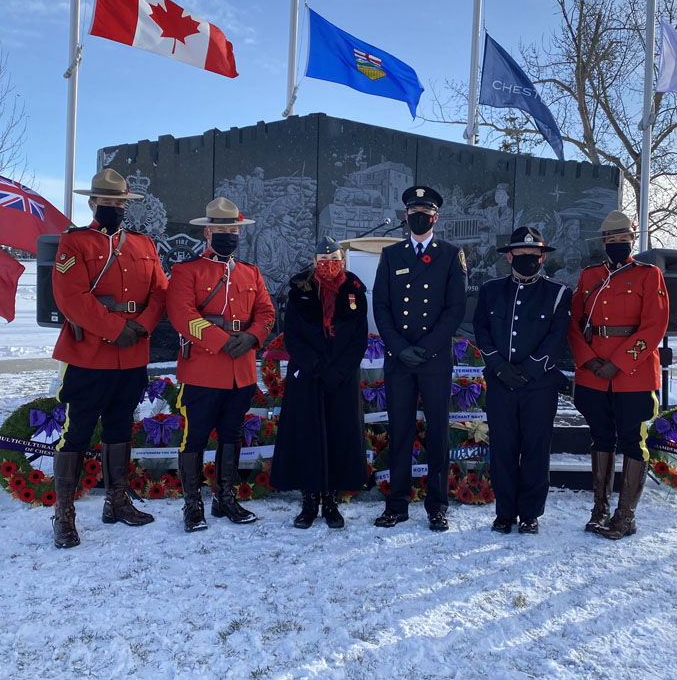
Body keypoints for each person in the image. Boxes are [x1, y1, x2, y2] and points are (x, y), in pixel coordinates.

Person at [50, 169, 169, 549]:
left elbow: (160, 294)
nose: (115, 208)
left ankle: (117, 501)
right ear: (93, 203)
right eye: (108, 202)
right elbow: (71, 298)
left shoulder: (143, 245)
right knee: (78, 432)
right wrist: (117, 330)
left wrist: (143, 327)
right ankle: (64, 515)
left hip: (132, 353)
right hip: (90, 353)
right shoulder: (75, 243)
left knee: (120, 427)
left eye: (120, 203)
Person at [166, 198, 276, 533]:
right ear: (207, 231)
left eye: (233, 230)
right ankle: (192, 504)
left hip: (240, 369)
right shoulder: (187, 271)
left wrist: (253, 338)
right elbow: (182, 315)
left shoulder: (250, 272)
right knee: (196, 437)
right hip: (203, 367)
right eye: (221, 229)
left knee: (232, 434)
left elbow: (267, 313)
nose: (228, 235)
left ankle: (224, 498)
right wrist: (220, 341)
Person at [568, 211, 669, 540]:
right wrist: (588, 359)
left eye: (623, 238)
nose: (617, 244)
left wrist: (621, 361)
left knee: (632, 440)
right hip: (594, 372)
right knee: (600, 437)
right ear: (602, 242)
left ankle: (626, 515)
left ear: (633, 239)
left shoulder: (648, 274)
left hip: (633, 374)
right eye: (611, 239)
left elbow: (655, 326)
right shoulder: (589, 276)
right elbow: (574, 324)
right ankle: (600, 509)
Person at [373, 185, 467, 532]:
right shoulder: (392, 254)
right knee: (399, 431)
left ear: (435, 216)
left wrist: (426, 348)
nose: (418, 216)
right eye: (413, 211)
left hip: (434, 359)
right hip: (400, 360)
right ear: (405, 215)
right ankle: (397, 503)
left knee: (437, 433)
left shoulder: (451, 255)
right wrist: (399, 347)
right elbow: (381, 306)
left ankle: (437, 505)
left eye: (425, 211)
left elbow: (455, 308)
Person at [473, 226, 572, 534]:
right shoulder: (491, 290)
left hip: (539, 386)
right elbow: (482, 329)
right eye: (521, 255)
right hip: (501, 383)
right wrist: (499, 366)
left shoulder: (558, 294)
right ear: (509, 257)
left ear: (542, 258)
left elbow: (557, 338)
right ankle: (505, 513)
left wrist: (530, 370)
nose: (527, 260)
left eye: (533, 255)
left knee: (535, 449)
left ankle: (529, 513)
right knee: (502, 448)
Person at [270, 236, 369, 529]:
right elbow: (293, 337)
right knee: (308, 437)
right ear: (314, 263)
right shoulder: (300, 291)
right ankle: (310, 500)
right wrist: (314, 365)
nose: (329, 267)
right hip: (308, 375)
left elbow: (358, 338)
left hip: (341, 377)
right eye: (323, 262)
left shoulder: (354, 290)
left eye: (335, 261)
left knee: (339, 436)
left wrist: (338, 371)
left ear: (343, 262)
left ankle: (332, 501)